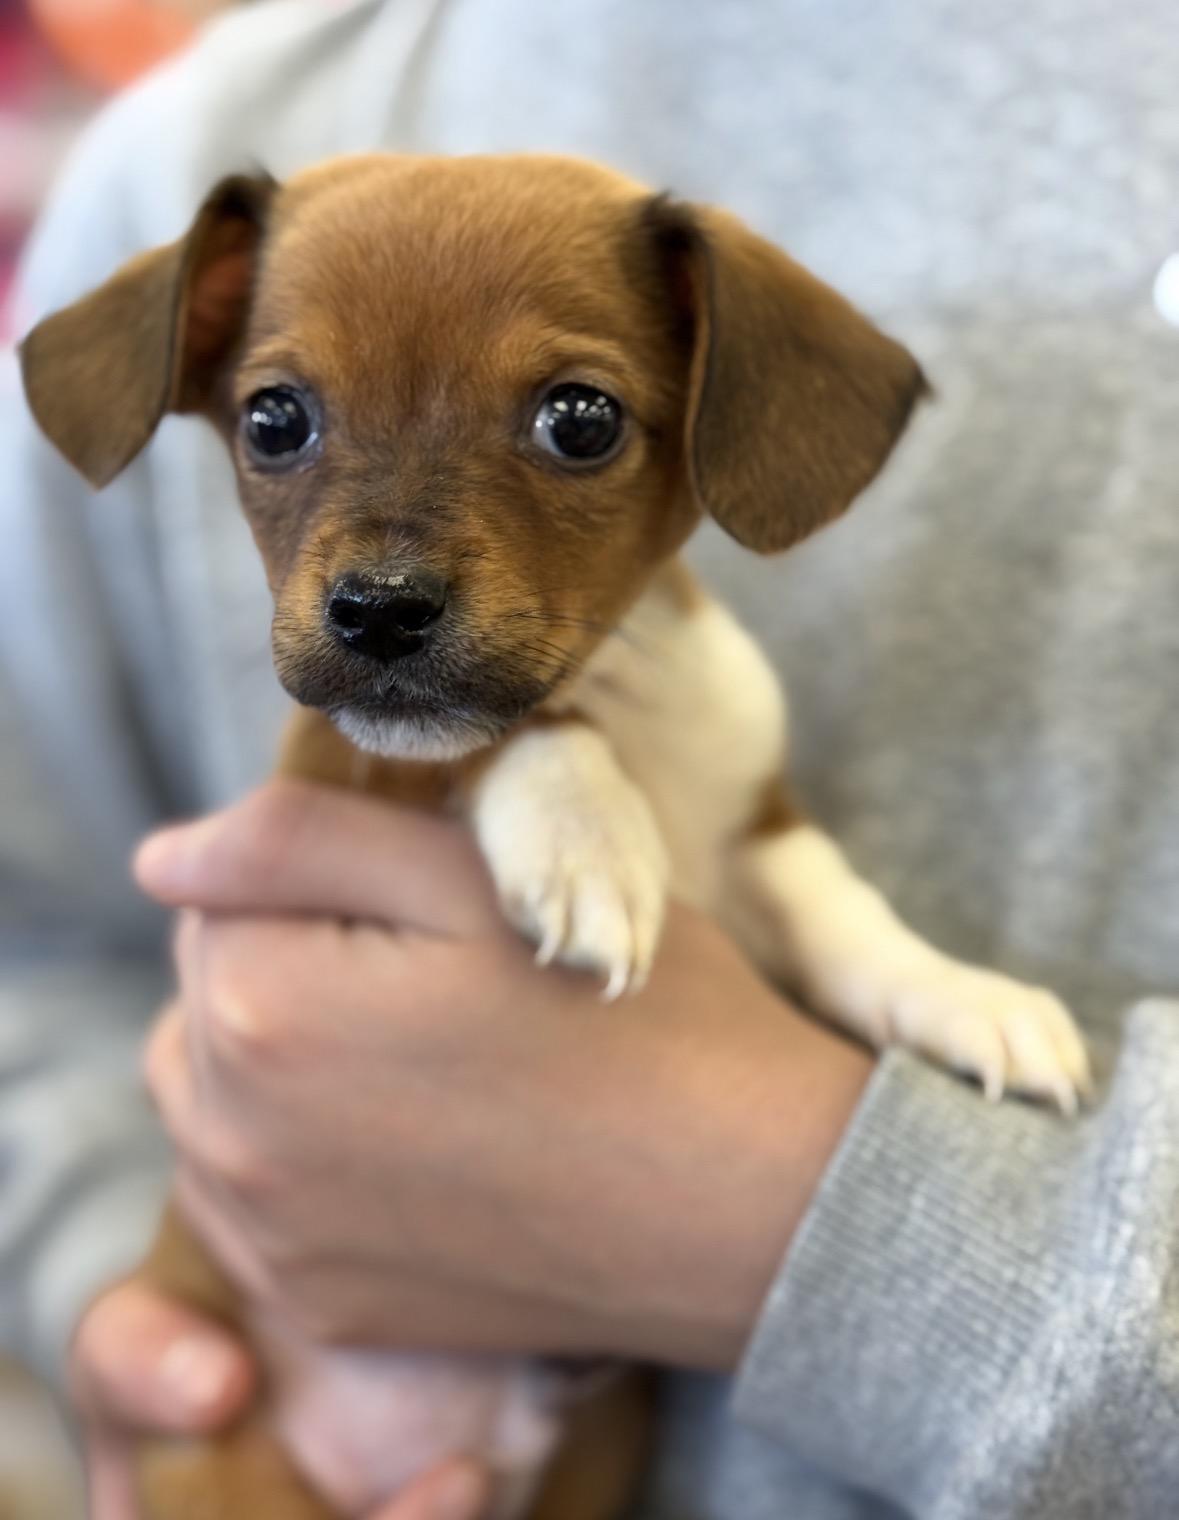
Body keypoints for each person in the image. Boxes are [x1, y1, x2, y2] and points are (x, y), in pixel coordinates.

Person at [4, 1, 1179, 1516]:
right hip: (260, 1419)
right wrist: (117, 1293)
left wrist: (848, 1206)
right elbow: (34, 939)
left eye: (571, 422)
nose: (380, 574)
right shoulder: (205, 127)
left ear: (720, 396)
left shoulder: (707, 679)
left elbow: (765, 848)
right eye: (281, 421)